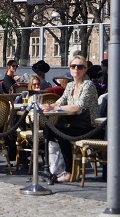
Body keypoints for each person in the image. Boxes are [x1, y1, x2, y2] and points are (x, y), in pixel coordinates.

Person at [40, 55, 100, 183]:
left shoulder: (88, 85)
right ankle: (54, 168)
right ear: (70, 68)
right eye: (73, 66)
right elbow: (60, 101)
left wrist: (57, 108)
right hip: (75, 124)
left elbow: (78, 107)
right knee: (49, 130)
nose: (76, 69)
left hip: (89, 126)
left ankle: (69, 171)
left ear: (85, 69)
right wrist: (49, 106)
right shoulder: (70, 85)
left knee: (62, 134)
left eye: (80, 66)